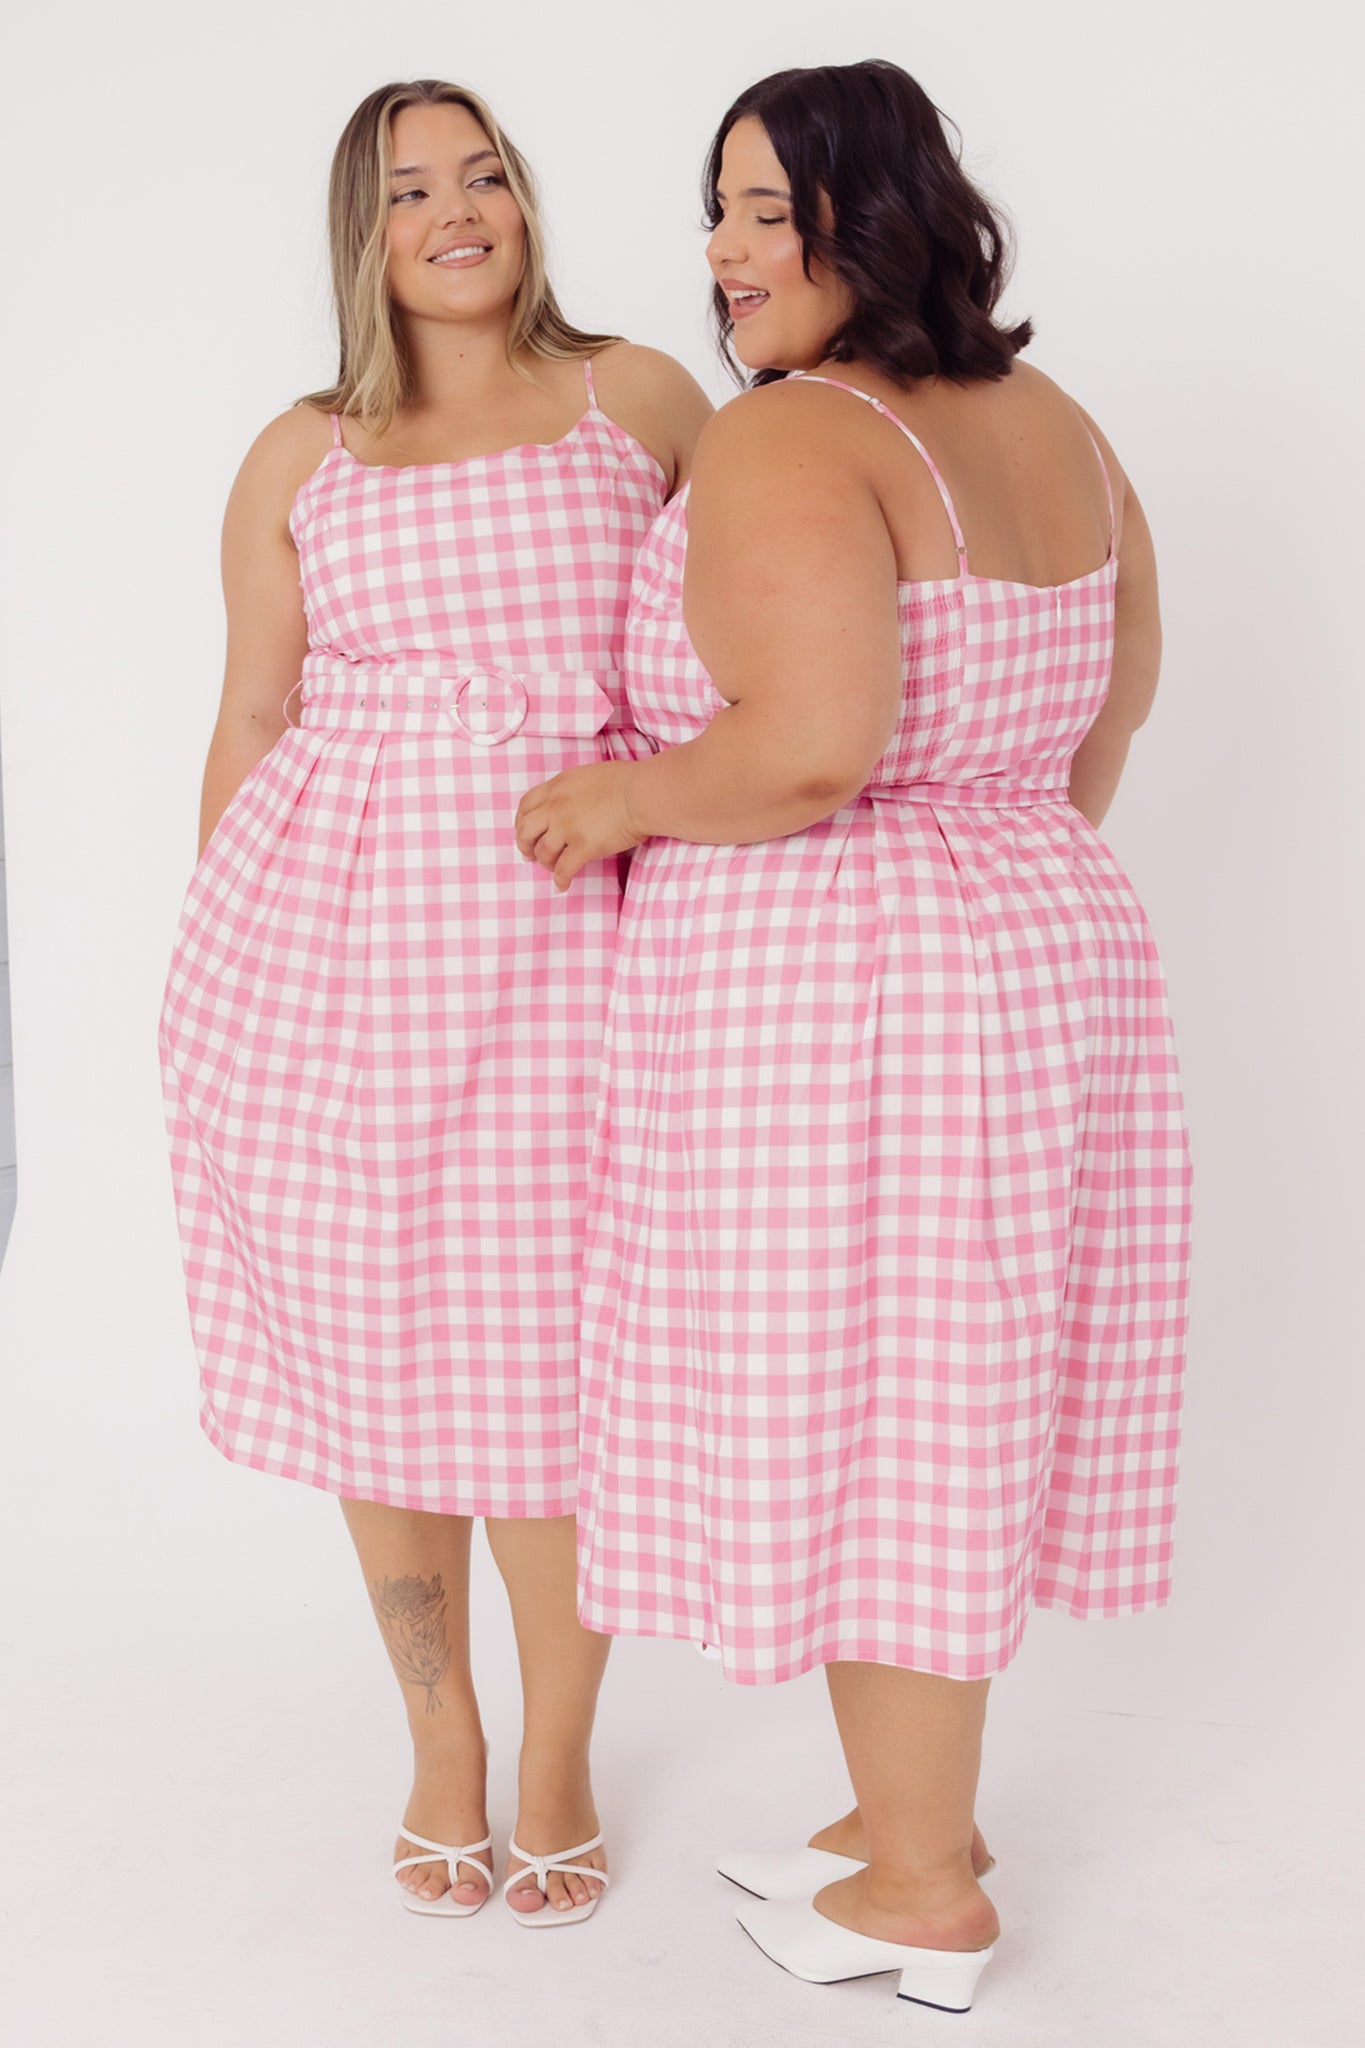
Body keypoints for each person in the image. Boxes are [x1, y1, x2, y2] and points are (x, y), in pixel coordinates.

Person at [515, 59, 1189, 2008]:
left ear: (868, 219)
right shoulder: (1059, 424)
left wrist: (619, 799)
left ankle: (917, 1894)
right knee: (947, 1392)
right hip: (1039, 935)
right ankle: (918, 1821)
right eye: (715, 210)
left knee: (878, 1415)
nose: (723, 253)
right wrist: (993, 879)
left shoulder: (794, 436)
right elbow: (1111, 703)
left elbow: (809, 748)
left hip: (848, 987)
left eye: (763, 210)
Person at [160, 77, 709, 1926]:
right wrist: (214, 957)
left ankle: (557, 1752)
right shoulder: (301, 450)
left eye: (484, 175)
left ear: (524, 202)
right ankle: (442, 1742)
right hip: (333, 969)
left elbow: (743, 639)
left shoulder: (637, 398)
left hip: (579, 950)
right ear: (362, 232)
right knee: (373, 1359)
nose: (457, 210)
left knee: (557, 1370)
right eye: (410, 190)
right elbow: (253, 712)